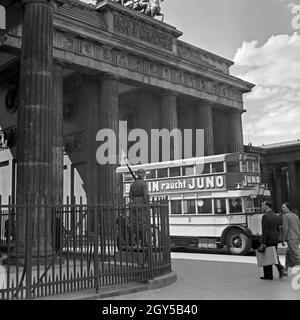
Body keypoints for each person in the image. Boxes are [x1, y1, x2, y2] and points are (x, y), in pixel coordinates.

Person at [258, 200, 287, 280]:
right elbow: (278, 228)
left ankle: (274, 272)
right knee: (273, 255)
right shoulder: (276, 216)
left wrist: (263, 242)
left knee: (268, 256)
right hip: (275, 239)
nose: (262, 207)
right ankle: (270, 274)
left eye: (263, 205)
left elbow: (265, 230)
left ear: (267, 206)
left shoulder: (265, 216)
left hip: (268, 239)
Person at [129, 168, 149, 246]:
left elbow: (130, 196)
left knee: (134, 224)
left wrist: (135, 200)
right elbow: (145, 196)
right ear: (143, 175)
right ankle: (144, 242)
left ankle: (133, 241)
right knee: (143, 224)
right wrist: (147, 205)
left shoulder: (132, 184)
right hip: (142, 205)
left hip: (134, 205)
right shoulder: (144, 184)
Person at [281, 202, 300, 272]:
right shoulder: (295, 216)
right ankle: (285, 269)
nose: (282, 209)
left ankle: (286, 269)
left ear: (288, 208)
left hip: (291, 237)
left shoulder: (285, 216)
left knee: (296, 255)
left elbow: (285, 229)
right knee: (288, 253)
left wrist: (283, 239)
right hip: (297, 237)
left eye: (284, 207)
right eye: (282, 207)